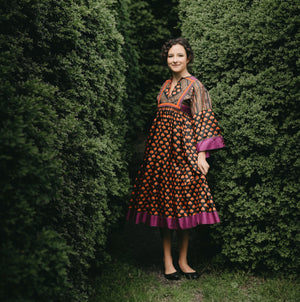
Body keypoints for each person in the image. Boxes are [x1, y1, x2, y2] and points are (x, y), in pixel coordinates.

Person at [126, 37, 225, 280]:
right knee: (163, 204)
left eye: (179, 55)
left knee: (185, 202)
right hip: (160, 156)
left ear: (188, 58)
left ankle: (183, 260)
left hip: (184, 153)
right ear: (166, 59)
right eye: (171, 56)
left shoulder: (196, 86)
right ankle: (168, 261)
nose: (175, 60)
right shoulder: (163, 87)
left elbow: (203, 118)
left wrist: (203, 154)